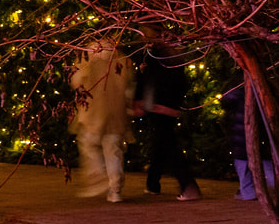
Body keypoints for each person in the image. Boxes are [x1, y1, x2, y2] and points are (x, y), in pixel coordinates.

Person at [134, 33, 202, 201]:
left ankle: (188, 184)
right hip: (167, 106)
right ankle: (153, 183)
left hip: (158, 106)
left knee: (167, 144)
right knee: (162, 143)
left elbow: (147, 80)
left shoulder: (155, 58)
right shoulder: (175, 59)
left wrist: (139, 100)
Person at [70, 38, 134, 202]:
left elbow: (76, 82)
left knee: (89, 145)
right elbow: (129, 88)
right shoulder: (121, 62)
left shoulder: (88, 62)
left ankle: (98, 177)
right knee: (114, 153)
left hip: (93, 115)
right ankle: (115, 190)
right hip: (116, 114)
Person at [221, 81, 275, 200]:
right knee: (261, 160)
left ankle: (248, 191)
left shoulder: (238, 86)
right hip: (255, 132)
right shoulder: (263, 85)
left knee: (245, 161)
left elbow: (226, 101)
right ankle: (250, 190)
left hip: (245, 131)